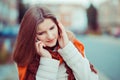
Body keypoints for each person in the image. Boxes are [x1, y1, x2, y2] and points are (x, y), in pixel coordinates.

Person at [12, 5, 99, 80]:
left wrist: (67, 48)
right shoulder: (26, 57)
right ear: (32, 35)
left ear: (58, 25)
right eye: (41, 33)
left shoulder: (73, 45)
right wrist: (46, 60)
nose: (50, 36)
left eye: (52, 28)